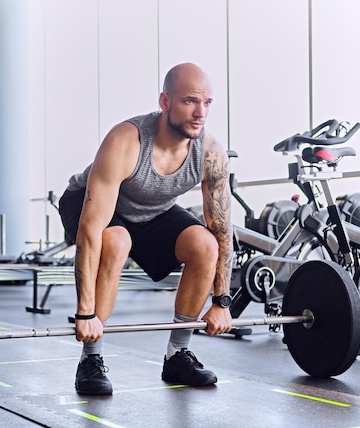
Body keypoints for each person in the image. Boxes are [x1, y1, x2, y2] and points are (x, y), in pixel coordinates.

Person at [58, 62, 233, 396]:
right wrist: (85, 313)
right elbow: (92, 230)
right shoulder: (127, 141)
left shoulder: (210, 153)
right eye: (190, 101)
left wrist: (221, 302)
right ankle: (90, 358)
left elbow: (223, 231)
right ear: (164, 102)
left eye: (207, 103)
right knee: (117, 240)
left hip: (153, 211)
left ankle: (177, 354)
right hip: (88, 205)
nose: (200, 112)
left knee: (205, 244)